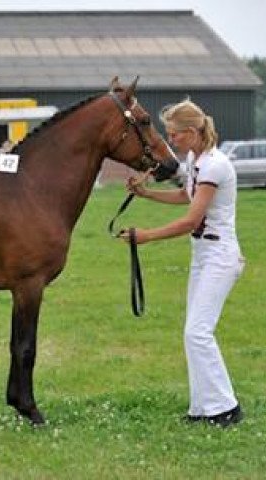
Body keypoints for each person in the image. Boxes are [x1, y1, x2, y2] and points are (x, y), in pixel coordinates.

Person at [120, 98, 244, 427]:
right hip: (204, 255)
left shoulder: (215, 164)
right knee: (194, 333)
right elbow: (187, 197)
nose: (170, 140)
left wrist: (146, 236)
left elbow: (190, 220)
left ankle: (225, 408)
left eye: (174, 134)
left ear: (191, 132)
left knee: (197, 332)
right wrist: (146, 194)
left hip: (219, 255)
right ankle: (203, 409)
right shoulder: (195, 159)